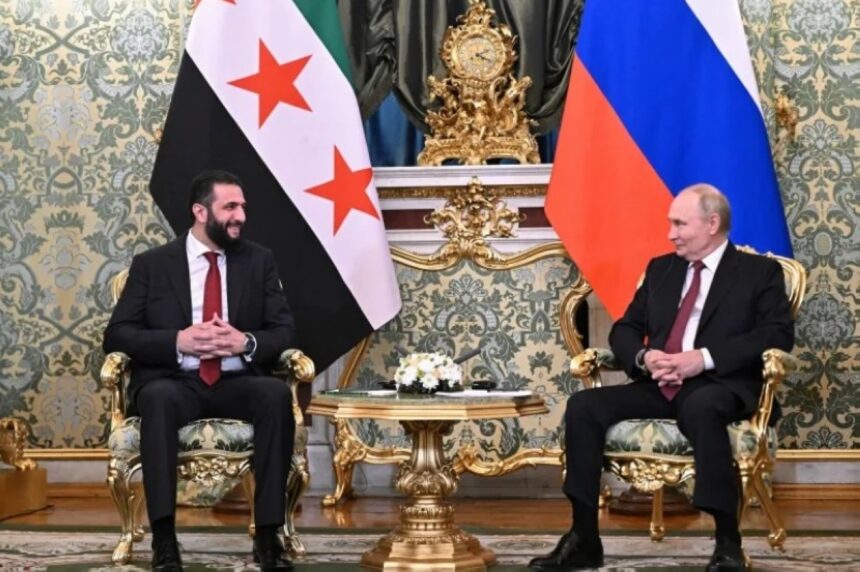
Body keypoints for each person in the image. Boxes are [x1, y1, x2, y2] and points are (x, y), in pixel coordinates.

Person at [529, 184, 794, 571]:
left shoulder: (759, 273)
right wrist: (645, 356)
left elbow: (776, 335)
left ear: (712, 223)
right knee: (584, 406)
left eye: (680, 224)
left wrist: (701, 359)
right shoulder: (662, 269)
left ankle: (727, 544)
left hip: (719, 384)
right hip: (660, 384)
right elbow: (625, 329)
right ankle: (583, 537)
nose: (671, 234)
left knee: (702, 406)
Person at [103, 170, 297, 571]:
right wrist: (178, 341)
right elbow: (117, 334)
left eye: (242, 207)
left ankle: (268, 536)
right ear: (200, 211)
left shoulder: (259, 261)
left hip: (237, 380)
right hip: (175, 381)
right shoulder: (153, 265)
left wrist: (245, 342)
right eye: (230, 207)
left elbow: (284, 330)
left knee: (276, 395)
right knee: (157, 399)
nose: (240, 216)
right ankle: (164, 540)